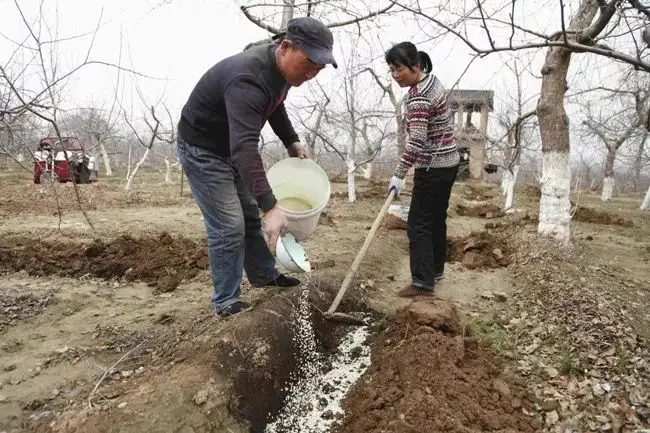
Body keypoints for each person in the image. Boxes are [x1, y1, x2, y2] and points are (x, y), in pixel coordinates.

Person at [176, 17, 338, 317]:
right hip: (203, 148)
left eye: (320, 67)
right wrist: (271, 206)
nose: (313, 72)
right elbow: (244, 148)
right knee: (229, 224)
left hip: (230, 146)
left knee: (249, 216)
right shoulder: (248, 78)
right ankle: (226, 301)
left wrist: (291, 140)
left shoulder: (282, 72)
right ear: (286, 47)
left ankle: (264, 275)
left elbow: (275, 104)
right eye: (310, 63)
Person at [385, 42, 459, 297]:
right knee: (436, 218)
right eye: (391, 69)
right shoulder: (432, 80)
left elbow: (416, 141)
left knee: (418, 223)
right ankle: (435, 270)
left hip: (432, 167)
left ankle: (422, 282)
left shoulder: (418, 97)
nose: (395, 75)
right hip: (449, 162)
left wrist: (399, 172)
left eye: (399, 69)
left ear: (415, 66)